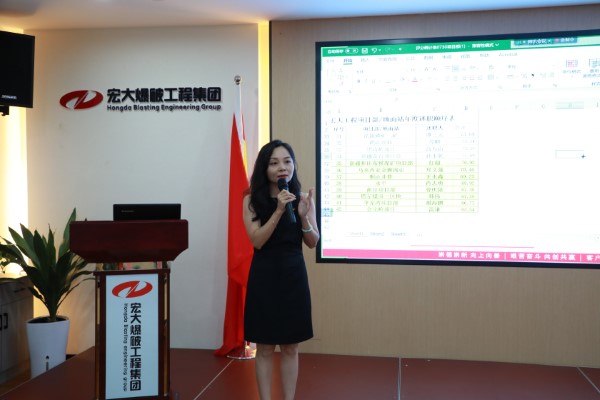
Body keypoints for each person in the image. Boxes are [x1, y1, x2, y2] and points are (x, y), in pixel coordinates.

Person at [243, 139, 320, 400]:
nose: (282, 168)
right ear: (264, 169)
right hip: (264, 277)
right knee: (264, 348)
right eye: (274, 163)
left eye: (287, 161)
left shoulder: (303, 199)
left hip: (293, 277)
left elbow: (313, 242)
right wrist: (278, 211)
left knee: (290, 347)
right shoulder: (251, 200)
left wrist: (303, 216)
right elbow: (257, 241)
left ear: (293, 165)